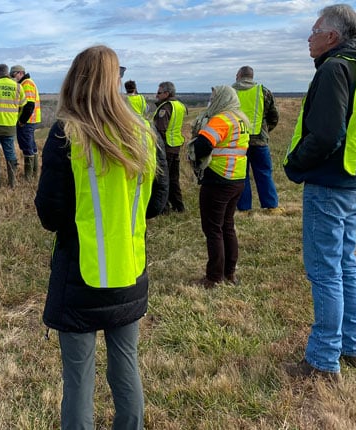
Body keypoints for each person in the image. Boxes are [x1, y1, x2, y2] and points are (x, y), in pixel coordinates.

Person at [35, 45, 168, 430]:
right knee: (126, 364)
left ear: (75, 79)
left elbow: (50, 213)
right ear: (115, 81)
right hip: (130, 269)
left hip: (80, 273)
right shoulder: (143, 132)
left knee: (78, 379)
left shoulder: (66, 133)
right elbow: (157, 203)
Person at [283, 4, 356, 382]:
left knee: (325, 272)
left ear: (332, 36)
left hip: (329, 186)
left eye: (314, 31)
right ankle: (351, 347)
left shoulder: (334, 68)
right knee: (345, 266)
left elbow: (325, 135)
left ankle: (324, 361)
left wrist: (295, 163)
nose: (308, 38)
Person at [188, 85, 250, 289]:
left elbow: (202, 145)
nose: (210, 99)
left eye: (213, 96)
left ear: (221, 98)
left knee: (213, 228)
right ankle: (229, 273)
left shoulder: (221, 119)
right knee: (227, 226)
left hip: (218, 178)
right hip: (237, 179)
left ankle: (214, 277)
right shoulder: (241, 119)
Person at [232, 66, 281, 213]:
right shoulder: (263, 91)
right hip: (259, 141)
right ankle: (270, 205)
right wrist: (265, 131)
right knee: (264, 173)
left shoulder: (230, 92)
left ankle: (244, 207)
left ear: (238, 75)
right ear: (251, 76)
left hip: (236, 141)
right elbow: (274, 116)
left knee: (242, 175)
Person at [153, 81, 188, 213]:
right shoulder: (179, 105)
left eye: (159, 92)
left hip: (165, 148)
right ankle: (179, 206)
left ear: (167, 93)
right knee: (174, 178)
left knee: (162, 180)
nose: (156, 95)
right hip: (175, 147)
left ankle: (164, 208)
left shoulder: (165, 107)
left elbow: (160, 129)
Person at [10, 65, 42, 181]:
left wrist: (22, 121)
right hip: (30, 120)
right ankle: (34, 175)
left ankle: (29, 177)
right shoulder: (26, 82)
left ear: (20, 73)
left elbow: (29, 105)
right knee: (31, 146)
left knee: (27, 146)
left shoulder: (26, 83)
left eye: (13, 75)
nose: (13, 77)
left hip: (27, 121)